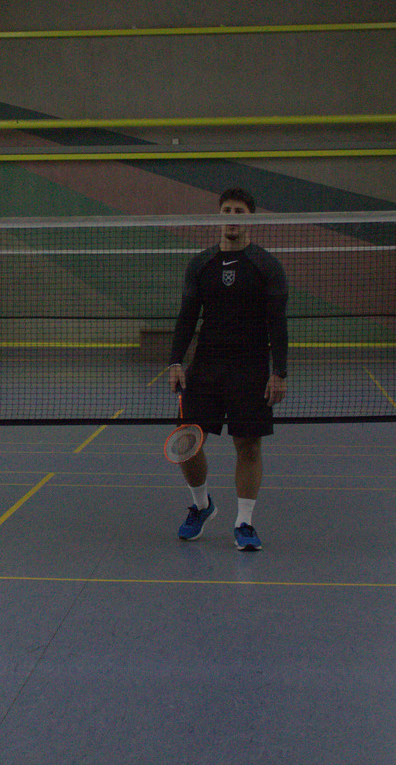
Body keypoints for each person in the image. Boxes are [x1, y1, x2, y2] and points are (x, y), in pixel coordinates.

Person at [166, 187, 288, 552]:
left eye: (239, 211)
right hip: (206, 366)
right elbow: (187, 317)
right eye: (226, 211)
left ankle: (244, 522)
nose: (232, 217)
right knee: (186, 441)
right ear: (218, 216)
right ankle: (201, 505)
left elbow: (278, 322)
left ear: (250, 219)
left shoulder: (266, 266)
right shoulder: (201, 264)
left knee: (247, 445)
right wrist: (176, 361)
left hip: (251, 367)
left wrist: (279, 372)